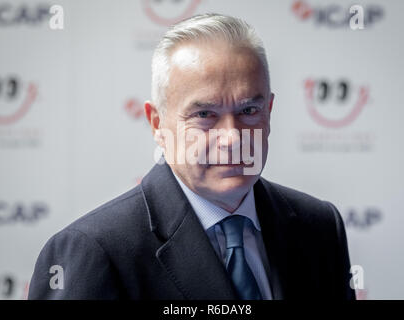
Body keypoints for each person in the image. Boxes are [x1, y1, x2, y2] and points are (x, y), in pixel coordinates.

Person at [28, 13, 355, 300]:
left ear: (269, 111)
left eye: (249, 110)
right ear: (157, 123)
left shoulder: (320, 227)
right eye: (204, 114)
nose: (232, 137)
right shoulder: (94, 252)